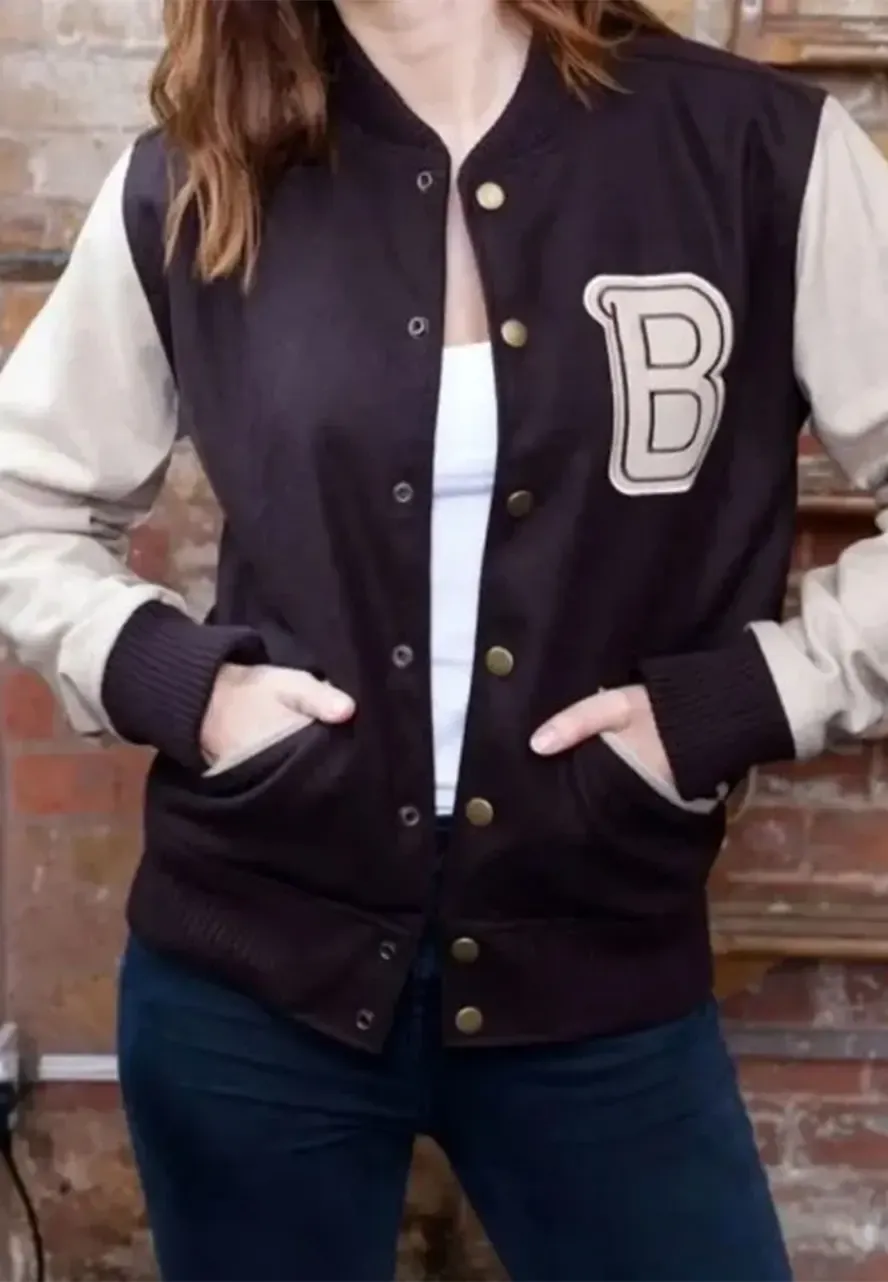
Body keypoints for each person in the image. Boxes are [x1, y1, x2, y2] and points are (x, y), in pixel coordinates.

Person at [2, 0, 888, 1276]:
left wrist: (745, 701)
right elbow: (21, 503)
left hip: (601, 971)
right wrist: (184, 688)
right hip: (249, 985)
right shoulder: (201, 174)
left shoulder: (757, 150)